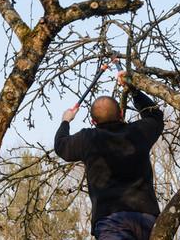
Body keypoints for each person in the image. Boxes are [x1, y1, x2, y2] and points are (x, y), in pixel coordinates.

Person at [54, 73, 164, 240]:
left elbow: (61, 146)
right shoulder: (138, 132)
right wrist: (133, 89)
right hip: (147, 219)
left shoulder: (88, 139)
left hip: (111, 221)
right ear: (121, 113)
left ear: (93, 122)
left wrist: (65, 121)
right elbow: (155, 116)